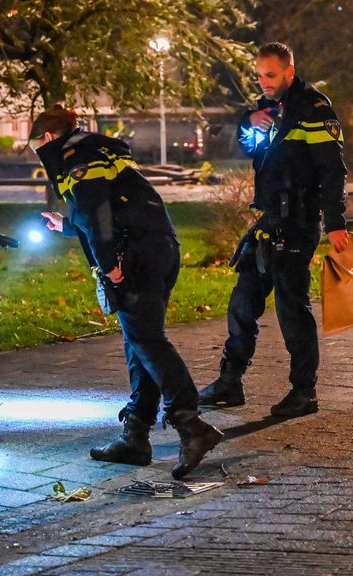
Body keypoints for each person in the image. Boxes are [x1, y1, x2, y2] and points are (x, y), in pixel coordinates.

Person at [29, 105, 222, 479]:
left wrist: (108, 262)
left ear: (49, 137)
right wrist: (66, 226)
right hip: (160, 247)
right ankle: (136, 436)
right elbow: (115, 206)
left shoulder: (74, 157)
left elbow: (96, 211)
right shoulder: (102, 150)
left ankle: (192, 426)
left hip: (133, 256)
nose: (39, 153)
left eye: (37, 145)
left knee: (148, 341)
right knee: (141, 343)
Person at [199, 42, 349, 417]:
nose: (264, 82)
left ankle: (303, 393)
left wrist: (335, 224)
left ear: (289, 72)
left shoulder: (313, 109)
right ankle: (229, 382)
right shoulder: (268, 109)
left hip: (298, 223)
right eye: (260, 75)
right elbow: (251, 150)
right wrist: (247, 124)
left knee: (291, 309)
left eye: (271, 75)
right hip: (269, 220)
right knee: (243, 301)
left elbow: (333, 170)